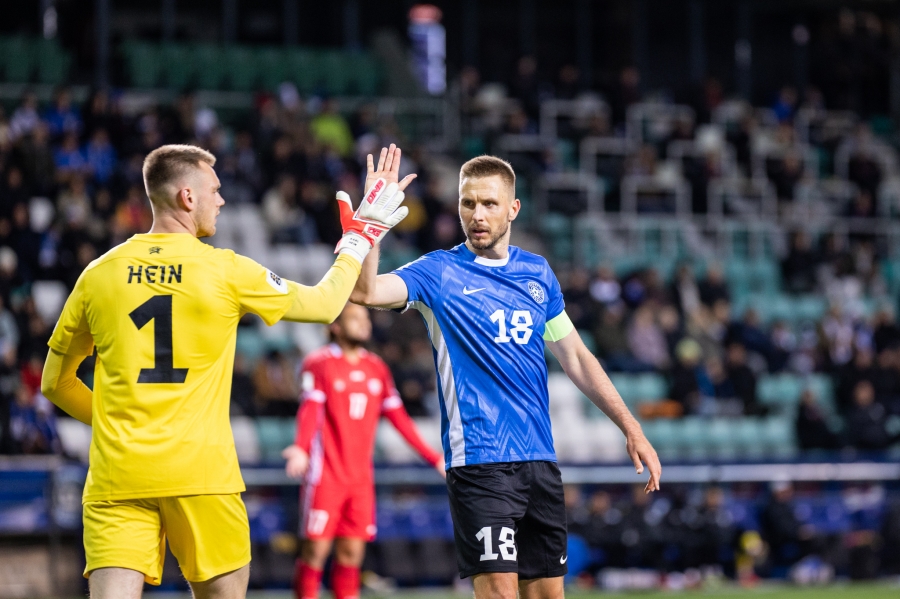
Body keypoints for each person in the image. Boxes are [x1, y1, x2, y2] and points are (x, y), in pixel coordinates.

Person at [39, 143, 410, 599]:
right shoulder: (224, 269)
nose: (222, 200)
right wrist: (360, 236)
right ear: (187, 198)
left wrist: (121, 426)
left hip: (118, 476)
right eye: (214, 190)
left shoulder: (97, 274)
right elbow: (325, 304)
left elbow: (54, 383)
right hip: (202, 477)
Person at [350, 150, 661, 599]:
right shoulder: (439, 272)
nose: (476, 215)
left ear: (513, 208)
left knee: (548, 596)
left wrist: (631, 428)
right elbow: (365, 291)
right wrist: (371, 225)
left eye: (489, 204)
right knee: (499, 593)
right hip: (479, 462)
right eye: (467, 203)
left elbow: (575, 356)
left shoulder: (537, 273)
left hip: (539, 461)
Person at [282, 302, 443, 599]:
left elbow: (400, 420)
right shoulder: (319, 363)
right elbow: (310, 410)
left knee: (352, 553)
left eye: (365, 318)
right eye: (356, 318)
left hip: (360, 480)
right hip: (325, 475)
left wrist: (434, 458)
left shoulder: (376, 367)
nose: (365, 324)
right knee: (315, 549)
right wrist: (301, 448)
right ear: (336, 327)